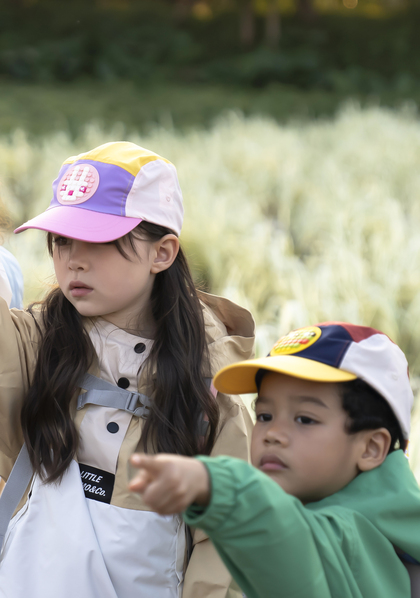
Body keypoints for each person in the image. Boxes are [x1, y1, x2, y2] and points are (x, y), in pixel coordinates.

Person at [0, 142, 255, 598]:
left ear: (162, 253)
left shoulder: (211, 384)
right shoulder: (32, 344)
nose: (73, 259)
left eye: (97, 239)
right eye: (61, 240)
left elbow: (229, 541)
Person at [129, 322, 420, 598]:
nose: (273, 434)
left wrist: (216, 485)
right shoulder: (387, 533)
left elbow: (289, 542)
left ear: (371, 448)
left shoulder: (347, 537)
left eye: (305, 419)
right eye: (265, 416)